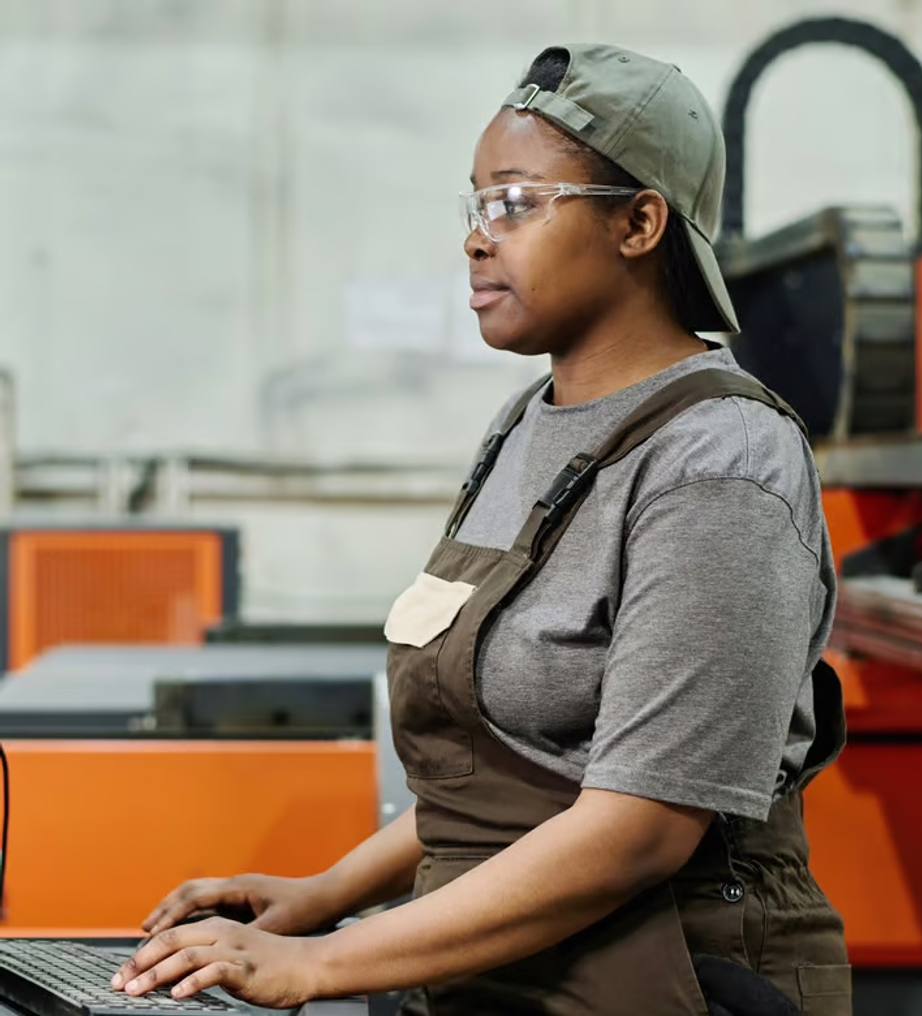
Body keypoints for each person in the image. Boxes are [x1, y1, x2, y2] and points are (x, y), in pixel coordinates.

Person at [110, 44, 851, 1015]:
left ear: (639, 222)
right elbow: (503, 772)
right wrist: (321, 898)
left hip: (667, 973)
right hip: (499, 964)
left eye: (514, 202)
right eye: (473, 205)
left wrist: (326, 961)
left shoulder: (718, 460)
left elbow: (638, 827)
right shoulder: (525, 425)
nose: (475, 238)